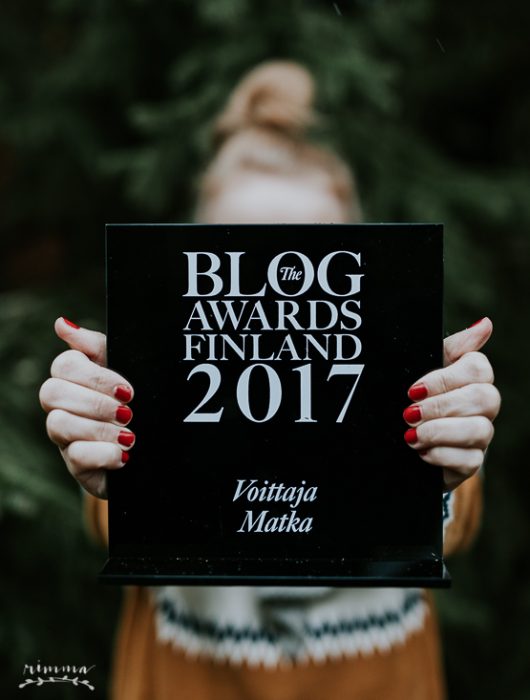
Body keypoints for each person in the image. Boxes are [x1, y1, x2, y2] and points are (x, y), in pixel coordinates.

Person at [39, 62, 500, 699]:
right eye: (240, 252)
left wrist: (445, 454)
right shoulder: (155, 389)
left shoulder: (405, 382)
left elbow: (459, 522)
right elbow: (107, 520)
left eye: (311, 254)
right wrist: (101, 440)